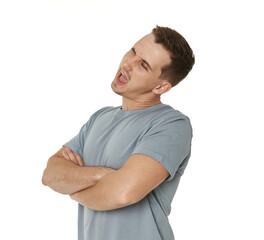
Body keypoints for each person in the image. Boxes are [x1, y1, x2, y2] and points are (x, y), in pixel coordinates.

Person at [42, 25, 195, 240]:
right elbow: (50, 174)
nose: (128, 64)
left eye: (143, 65)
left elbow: (123, 193)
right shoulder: (100, 118)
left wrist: (73, 188)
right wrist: (103, 175)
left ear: (161, 87)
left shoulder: (171, 125)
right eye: (133, 51)